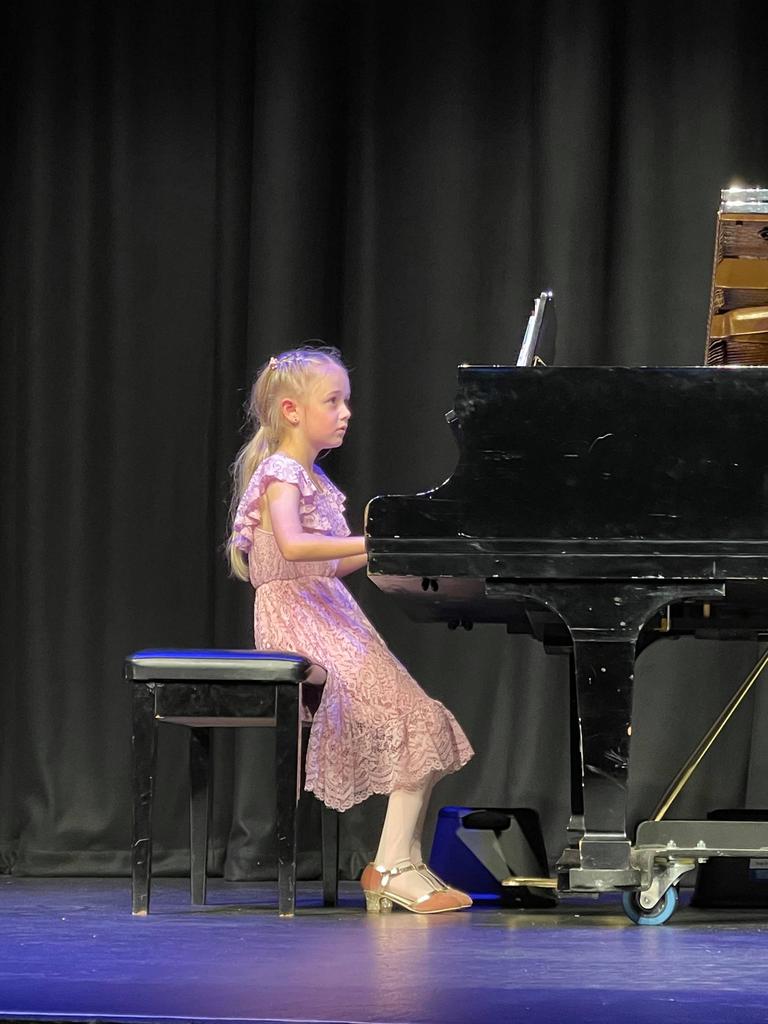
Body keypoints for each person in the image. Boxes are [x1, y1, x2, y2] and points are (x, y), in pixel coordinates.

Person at [227, 345, 474, 914]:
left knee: (422, 718)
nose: (346, 412)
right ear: (292, 410)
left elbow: (331, 563)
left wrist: (396, 544)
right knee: (415, 719)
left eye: (347, 401)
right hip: (300, 618)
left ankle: (403, 862)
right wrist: (375, 541)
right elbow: (292, 546)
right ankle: (389, 867)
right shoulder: (282, 472)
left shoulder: (310, 475)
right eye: (333, 401)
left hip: (329, 608)